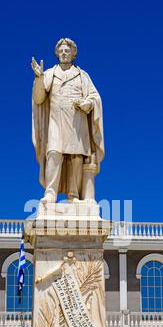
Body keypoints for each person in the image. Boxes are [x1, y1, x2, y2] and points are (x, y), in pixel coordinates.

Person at [31, 38, 104, 203]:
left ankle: (74, 195)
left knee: (76, 157)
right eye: (61, 51)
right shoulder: (50, 73)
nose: (64, 53)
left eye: (67, 51)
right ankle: (50, 193)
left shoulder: (82, 75)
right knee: (54, 153)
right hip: (56, 120)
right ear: (57, 54)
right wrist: (39, 78)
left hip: (77, 121)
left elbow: (95, 97)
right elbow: (39, 98)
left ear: (73, 54)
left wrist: (88, 103)